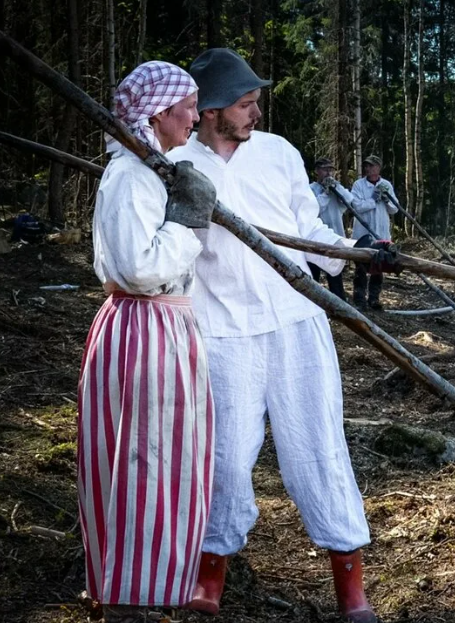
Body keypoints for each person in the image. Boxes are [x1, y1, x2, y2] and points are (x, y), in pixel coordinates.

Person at [166, 48, 377, 623]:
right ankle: (210, 574)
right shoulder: (179, 163)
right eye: (245, 103)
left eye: (256, 100)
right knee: (226, 458)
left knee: (318, 448)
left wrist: (353, 255)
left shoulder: (279, 151)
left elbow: (307, 226)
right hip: (222, 331)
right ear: (209, 111)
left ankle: (350, 586)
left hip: (294, 323)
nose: (256, 111)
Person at [79, 61, 218, 622]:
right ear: (159, 113)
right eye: (187, 106)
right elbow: (138, 266)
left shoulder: (147, 170)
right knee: (144, 461)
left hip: (158, 328)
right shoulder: (131, 177)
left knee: (161, 459)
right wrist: (187, 223)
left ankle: (146, 584)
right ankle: (131, 599)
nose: (194, 115)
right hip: (145, 329)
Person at [347, 155, 398, 310]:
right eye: (367, 166)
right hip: (363, 233)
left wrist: (386, 199)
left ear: (378, 168)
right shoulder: (359, 185)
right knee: (361, 266)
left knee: (379, 266)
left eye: (372, 166)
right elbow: (356, 206)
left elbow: (394, 209)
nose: (368, 168)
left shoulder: (386, 184)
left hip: (381, 233)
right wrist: (373, 200)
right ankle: (359, 299)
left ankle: (374, 299)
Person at [309, 157, 353, 300]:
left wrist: (336, 187)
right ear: (317, 171)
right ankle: (313, 302)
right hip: (316, 238)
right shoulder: (311, 189)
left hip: (335, 236)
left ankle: (339, 302)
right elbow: (313, 209)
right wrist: (326, 194)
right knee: (313, 272)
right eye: (325, 169)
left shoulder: (336, 188)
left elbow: (349, 200)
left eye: (331, 170)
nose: (328, 173)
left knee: (335, 272)